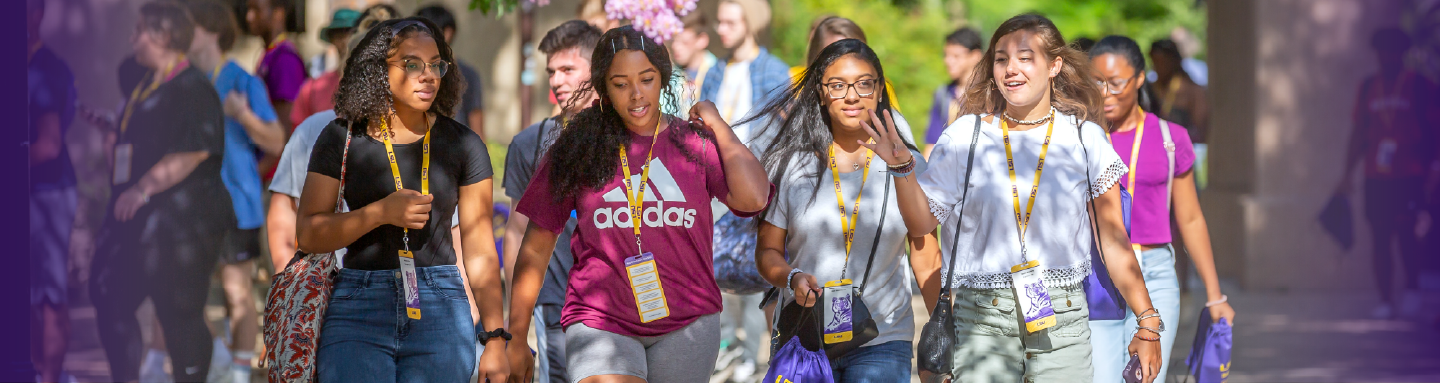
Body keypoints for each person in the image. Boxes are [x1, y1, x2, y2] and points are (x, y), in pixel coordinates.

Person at [882, 14, 1163, 383]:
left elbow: (1112, 238)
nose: (1011, 69)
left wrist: (1147, 322)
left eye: (1026, 57)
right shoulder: (964, 136)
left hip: (1062, 318)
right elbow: (920, 226)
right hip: (981, 317)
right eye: (1001, 59)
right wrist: (903, 169)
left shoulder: (1084, 138)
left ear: (1054, 66)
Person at [504, 26, 772, 383]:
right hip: (599, 318)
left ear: (661, 78)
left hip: (688, 322)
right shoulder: (576, 149)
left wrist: (720, 126)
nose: (635, 95)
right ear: (603, 88)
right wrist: (516, 336)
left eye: (646, 79)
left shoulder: (693, 143)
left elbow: (754, 198)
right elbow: (535, 250)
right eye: (620, 84)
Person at [297, 18, 507, 382]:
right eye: (411, 64)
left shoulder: (464, 144)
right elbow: (309, 234)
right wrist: (380, 213)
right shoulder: (341, 138)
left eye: (436, 64)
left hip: (440, 305)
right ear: (378, 70)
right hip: (357, 305)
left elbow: (480, 248)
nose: (428, 75)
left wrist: (495, 338)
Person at [747, 38, 943, 382]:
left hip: (883, 339)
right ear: (821, 93)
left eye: (864, 84)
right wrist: (791, 278)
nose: (852, 96)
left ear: (879, 89)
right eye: (837, 86)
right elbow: (767, 252)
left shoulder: (910, 166)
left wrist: (945, 327)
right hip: (804, 338)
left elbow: (925, 253)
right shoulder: (791, 165)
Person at [86, 3, 234, 381]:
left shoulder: (193, 87)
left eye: (139, 31)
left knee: (179, 314)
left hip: (185, 225)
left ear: (163, 36)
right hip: (142, 226)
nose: (132, 39)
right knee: (110, 295)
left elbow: (194, 150)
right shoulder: (146, 84)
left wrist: (141, 189)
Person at [1087, 35, 1238, 383]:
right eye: (1096, 82)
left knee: (1145, 378)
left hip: (1155, 272)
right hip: (1099, 275)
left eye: (1116, 83)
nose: (1106, 93)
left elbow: (1190, 218)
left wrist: (1215, 297)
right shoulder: (1080, 138)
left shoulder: (1171, 139)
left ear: (1140, 79)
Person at [186, 1, 288, 381]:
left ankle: (240, 372)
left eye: (189, 26)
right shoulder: (184, 81)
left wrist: (242, 113)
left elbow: (278, 140)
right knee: (184, 292)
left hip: (237, 205)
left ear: (211, 31)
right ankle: (220, 356)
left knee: (236, 292)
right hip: (191, 208)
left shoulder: (244, 82)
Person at [500, 19, 603, 383]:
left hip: (618, 299)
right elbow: (516, 230)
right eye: (551, 72)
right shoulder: (530, 143)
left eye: (568, 69)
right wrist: (516, 317)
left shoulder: (629, 138)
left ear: (597, 70)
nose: (556, 81)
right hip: (555, 300)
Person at [268, 3, 397, 271]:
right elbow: (284, 207)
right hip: (326, 280)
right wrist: (288, 276)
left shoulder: (425, 133)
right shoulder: (316, 125)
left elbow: (451, 226)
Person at [702, 2, 790, 376]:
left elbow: (781, 135)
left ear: (750, 23)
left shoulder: (773, 72)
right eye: (719, 21)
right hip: (714, 187)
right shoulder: (714, 72)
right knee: (716, 274)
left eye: (730, 21)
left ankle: (754, 362)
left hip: (755, 188)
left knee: (755, 276)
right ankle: (726, 355)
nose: (722, 29)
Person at [1337, 28, 1440, 320]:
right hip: (1376, 175)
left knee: (1408, 233)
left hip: (1410, 174)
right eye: (1382, 51)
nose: (1387, 57)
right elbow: (1359, 132)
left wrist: (1434, 168)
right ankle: (1385, 299)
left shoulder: (1421, 87)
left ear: (1402, 54)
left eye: (1392, 51)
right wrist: (1347, 173)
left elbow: (1435, 131)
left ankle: (1412, 288)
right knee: (1380, 236)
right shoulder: (1369, 87)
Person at [28, 0, 78, 381]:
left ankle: (51, 377)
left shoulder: (46, 70)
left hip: (47, 195)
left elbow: (48, 145)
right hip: (30, 196)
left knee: (49, 296)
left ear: (38, 14)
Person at [415, 4, 487, 139]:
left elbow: (477, 125)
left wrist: (480, 157)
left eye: (425, 31)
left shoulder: (468, 74)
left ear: (447, 33)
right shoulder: (410, 71)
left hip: (457, 153)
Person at [291, 8, 359, 126]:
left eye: (351, 33)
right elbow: (299, 135)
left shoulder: (378, 87)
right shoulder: (312, 88)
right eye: (338, 34)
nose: (345, 41)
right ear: (331, 39)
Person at [926, 27, 984, 158]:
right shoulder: (943, 94)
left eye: (956, 56)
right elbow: (933, 143)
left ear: (975, 56)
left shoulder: (990, 94)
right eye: (946, 55)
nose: (948, 61)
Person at [1149, 39, 1208, 145]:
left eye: (1163, 62)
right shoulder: (1149, 90)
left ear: (1174, 62)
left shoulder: (1193, 91)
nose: (1158, 68)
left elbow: (1202, 131)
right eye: (1155, 62)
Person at [669, 10, 716, 116]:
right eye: (673, 40)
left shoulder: (717, 72)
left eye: (684, 42)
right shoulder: (670, 74)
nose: (675, 46)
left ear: (702, 40)